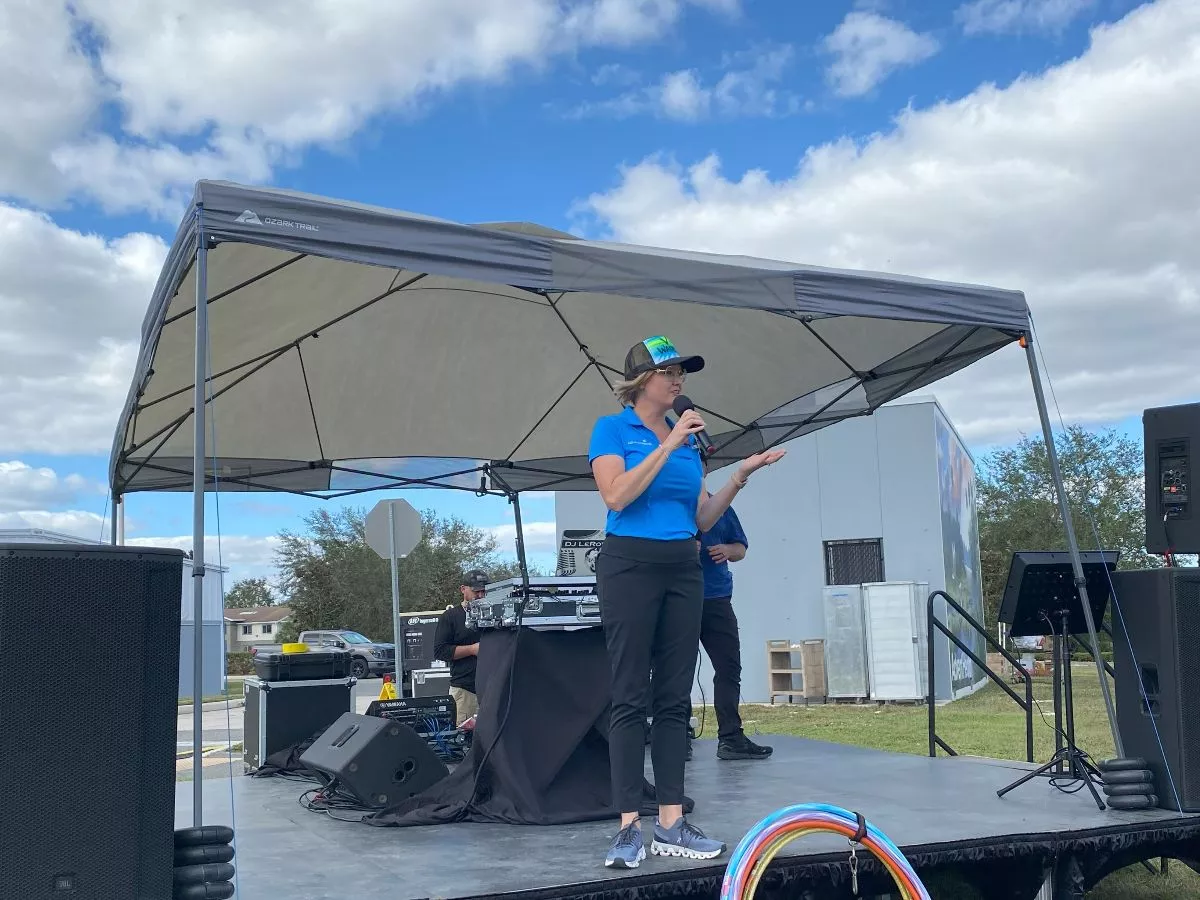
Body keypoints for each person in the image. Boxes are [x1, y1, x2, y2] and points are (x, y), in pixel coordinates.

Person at [588, 334, 785, 869]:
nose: (678, 381)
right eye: (668, 371)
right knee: (631, 695)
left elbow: (698, 518)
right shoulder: (613, 430)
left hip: (683, 566)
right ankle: (629, 825)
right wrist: (669, 442)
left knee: (674, 699)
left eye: (681, 372)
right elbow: (616, 496)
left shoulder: (689, 443)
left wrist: (740, 477)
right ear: (639, 381)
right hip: (629, 564)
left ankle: (671, 822)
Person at [696, 479, 772, 761]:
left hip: (716, 598)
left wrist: (728, 551)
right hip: (680, 599)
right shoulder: (672, 505)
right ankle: (677, 740)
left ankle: (730, 737)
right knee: (674, 672)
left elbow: (740, 548)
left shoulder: (722, 506)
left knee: (728, 667)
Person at [433, 569, 487, 726]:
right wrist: (472, 649)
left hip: (492, 689)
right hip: (465, 690)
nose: (481, 596)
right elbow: (440, 651)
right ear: (463, 589)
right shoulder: (450, 617)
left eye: (484, 591)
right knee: (463, 737)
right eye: (476, 591)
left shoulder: (495, 614)